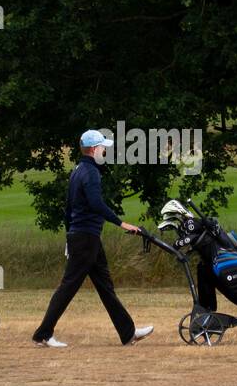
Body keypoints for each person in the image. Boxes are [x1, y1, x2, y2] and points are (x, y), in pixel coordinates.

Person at [32, 129, 155, 349]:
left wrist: (70, 237)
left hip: (85, 238)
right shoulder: (90, 173)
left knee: (105, 287)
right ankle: (43, 334)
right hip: (86, 238)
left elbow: (67, 210)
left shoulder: (79, 170)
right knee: (68, 286)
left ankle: (128, 333)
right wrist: (121, 223)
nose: (105, 151)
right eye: (103, 148)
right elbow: (96, 204)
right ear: (93, 149)